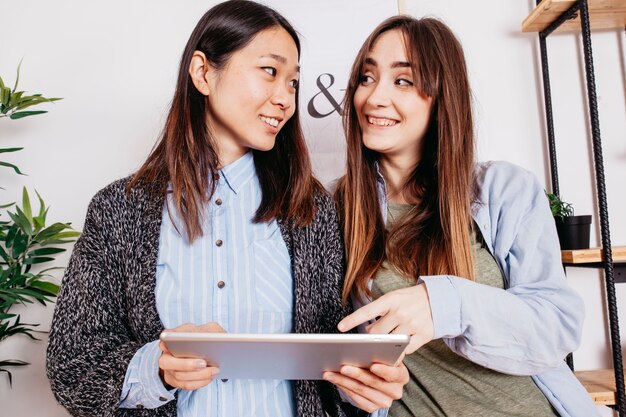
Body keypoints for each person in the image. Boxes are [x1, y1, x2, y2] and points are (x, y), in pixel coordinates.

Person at [46, 2, 406, 416]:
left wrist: (365, 389)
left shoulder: (312, 212)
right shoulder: (118, 211)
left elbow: (337, 368)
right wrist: (157, 368)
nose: (284, 99)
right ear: (202, 72)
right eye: (270, 71)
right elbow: (71, 366)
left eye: (293, 82)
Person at [331, 15, 599, 417]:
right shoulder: (337, 208)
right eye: (367, 78)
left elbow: (557, 325)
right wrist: (356, 390)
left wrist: (447, 304)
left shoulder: (503, 189)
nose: (374, 97)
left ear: (442, 97)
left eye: (402, 81)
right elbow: (334, 351)